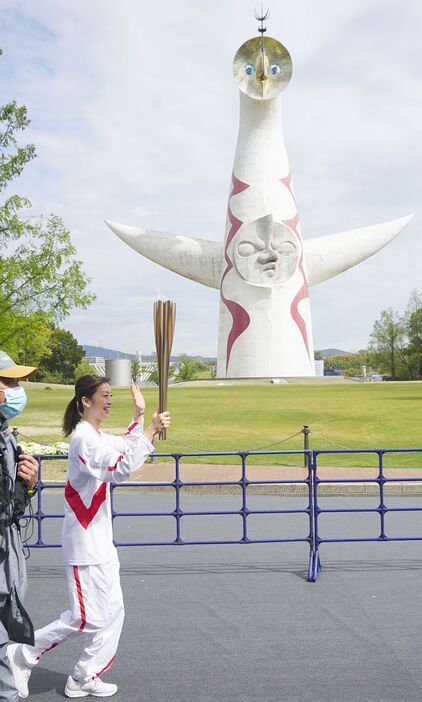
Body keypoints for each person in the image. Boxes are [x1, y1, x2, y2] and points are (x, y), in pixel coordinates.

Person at [7, 374, 170, 699]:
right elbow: (120, 468)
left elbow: (123, 445)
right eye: (104, 395)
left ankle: (84, 676)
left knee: (113, 612)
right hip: (83, 544)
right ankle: (23, 654)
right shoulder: (84, 438)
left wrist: (139, 417)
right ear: (85, 401)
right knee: (85, 617)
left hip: (101, 542)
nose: (109, 401)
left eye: (112, 395)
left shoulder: (94, 434)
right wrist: (150, 430)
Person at [0, 351, 39, 702]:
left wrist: (26, 486)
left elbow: (9, 510)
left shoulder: (6, 437)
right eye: (9, 381)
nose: (17, 390)